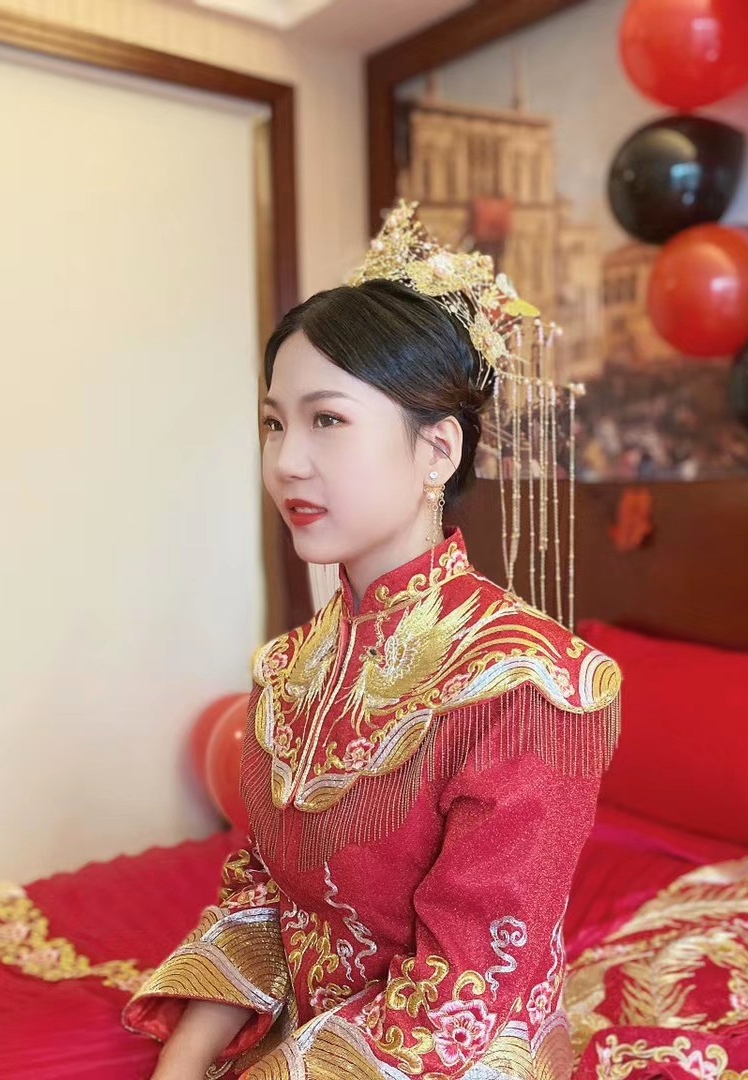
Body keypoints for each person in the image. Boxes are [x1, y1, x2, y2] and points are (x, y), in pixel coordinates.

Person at [122, 203, 623, 1079]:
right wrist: (182, 1061)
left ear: (438, 450)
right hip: (312, 1043)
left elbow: (467, 991)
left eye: (328, 420)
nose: (286, 462)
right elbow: (263, 896)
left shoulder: (528, 684)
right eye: (274, 423)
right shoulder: (290, 669)